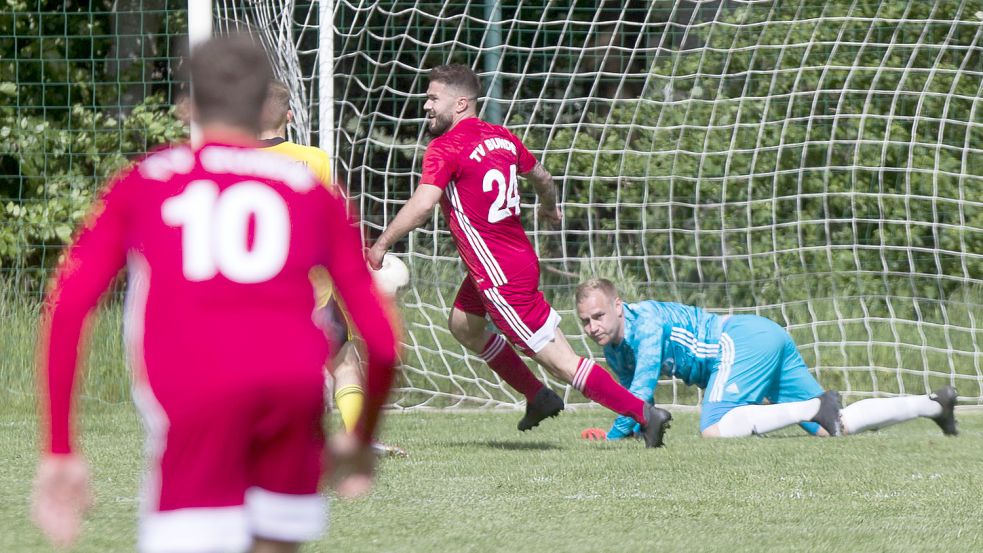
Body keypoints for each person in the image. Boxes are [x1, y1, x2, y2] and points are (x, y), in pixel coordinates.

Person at [31, 35, 401, 553]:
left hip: (197, 389)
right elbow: (383, 340)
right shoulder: (309, 190)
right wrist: (360, 440)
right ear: (261, 105)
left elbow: (68, 307)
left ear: (188, 104)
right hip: (291, 389)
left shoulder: (147, 182)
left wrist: (61, 450)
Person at [365, 64, 671, 448]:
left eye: (432, 98)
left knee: (561, 361)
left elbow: (425, 205)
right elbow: (542, 176)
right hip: (512, 260)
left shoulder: (446, 146)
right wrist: (550, 207)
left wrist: (380, 245)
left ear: (460, 103)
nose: (426, 106)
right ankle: (537, 397)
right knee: (463, 324)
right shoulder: (502, 138)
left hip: (500, 276)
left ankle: (645, 414)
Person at [574, 278, 958, 440]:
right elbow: (641, 405)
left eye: (599, 316)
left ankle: (814, 406)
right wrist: (633, 432)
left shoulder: (648, 325)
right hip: (762, 337)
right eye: (586, 321)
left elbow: (641, 389)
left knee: (714, 428)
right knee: (833, 428)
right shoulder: (614, 346)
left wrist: (612, 435)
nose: (593, 326)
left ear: (619, 306)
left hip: (740, 340)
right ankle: (932, 404)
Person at [258, 79, 405, 457]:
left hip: (252, 289)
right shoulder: (315, 159)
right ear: (289, 116)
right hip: (308, 287)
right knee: (344, 360)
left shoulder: (232, 158)